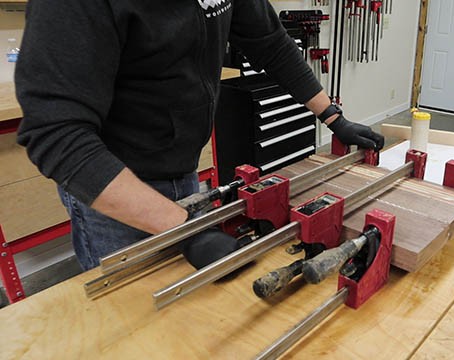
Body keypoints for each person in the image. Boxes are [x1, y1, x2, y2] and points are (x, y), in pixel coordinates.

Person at [15, 0, 384, 271]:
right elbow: (56, 134)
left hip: (184, 171)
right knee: (133, 327)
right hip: (116, 194)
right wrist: (185, 230)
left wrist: (332, 116)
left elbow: (269, 40)